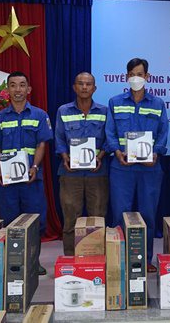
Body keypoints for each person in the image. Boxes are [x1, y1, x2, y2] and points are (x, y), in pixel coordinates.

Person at [105, 58, 169, 273]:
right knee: (119, 214)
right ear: (126, 77)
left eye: (140, 74)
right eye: (132, 74)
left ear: (147, 77)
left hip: (149, 168)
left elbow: (163, 133)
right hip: (121, 166)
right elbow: (110, 131)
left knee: (148, 215)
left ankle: (145, 258)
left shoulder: (158, 104)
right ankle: (119, 256)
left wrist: (157, 153)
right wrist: (116, 151)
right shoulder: (115, 102)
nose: (136, 78)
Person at [0, 72, 53, 275]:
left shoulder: (40, 115)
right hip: (6, 181)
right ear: (7, 90)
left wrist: (35, 167)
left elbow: (41, 144)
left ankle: (34, 261)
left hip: (31, 180)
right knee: (9, 220)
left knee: (35, 221)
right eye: (13, 86)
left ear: (29, 89)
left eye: (22, 85)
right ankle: (13, 262)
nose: (18, 90)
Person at [55, 72, 109, 256]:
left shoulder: (104, 111)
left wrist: (100, 156)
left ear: (94, 88)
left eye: (88, 84)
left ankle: (97, 259)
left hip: (97, 173)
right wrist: (64, 157)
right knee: (70, 219)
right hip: (70, 173)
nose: (84, 87)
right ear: (74, 87)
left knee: (98, 218)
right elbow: (59, 139)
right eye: (81, 83)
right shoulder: (63, 110)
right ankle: (70, 258)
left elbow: (109, 139)